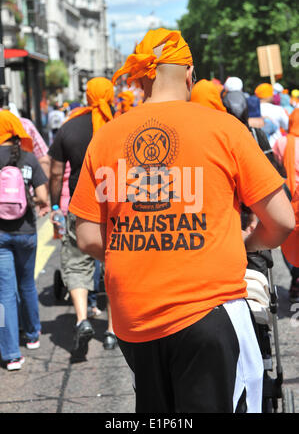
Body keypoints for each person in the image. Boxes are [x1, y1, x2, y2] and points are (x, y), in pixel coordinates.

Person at [69, 28, 295, 413]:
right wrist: (247, 243)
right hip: (208, 310)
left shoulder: (105, 137)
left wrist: (141, 249)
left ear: (141, 79)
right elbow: (282, 221)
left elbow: (87, 236)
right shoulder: (225, 129)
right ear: (189, 73)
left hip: (134, 317)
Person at [48, 77, 117, 362]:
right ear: (111, 96)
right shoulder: (120, 126)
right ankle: (113, 330)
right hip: (115, 206)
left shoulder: (69, 128)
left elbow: (54, 173)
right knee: (113, 263)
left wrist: (55, 203)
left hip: (81, 205)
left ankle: (81, 319)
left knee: (76, 263)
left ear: (87, 96)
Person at [0, 110, 49, 371]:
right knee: (27, 283)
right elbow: (42, 196)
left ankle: (10, 355)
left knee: (3, 294)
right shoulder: (28, 158)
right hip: (27, 230)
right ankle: (32, 335)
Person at [273, 108, 299, 302]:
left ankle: (295, 276)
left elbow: (277, 165)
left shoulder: (282, 142)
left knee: (289, 238)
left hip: (289, 196)